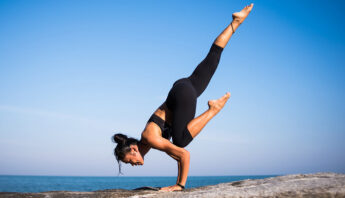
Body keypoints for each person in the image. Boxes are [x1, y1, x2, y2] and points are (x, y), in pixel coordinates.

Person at [112, 3, 254, 192]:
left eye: (130, 161)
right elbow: (174, 155)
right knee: (213, 57)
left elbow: (183, 155)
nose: (133, 165)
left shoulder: (150, 138)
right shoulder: (145, 142)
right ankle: (236, 22)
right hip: (182, 87)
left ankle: (213, 110)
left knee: (180, 141)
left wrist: (179, 185)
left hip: (182, 95)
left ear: (133, 150)